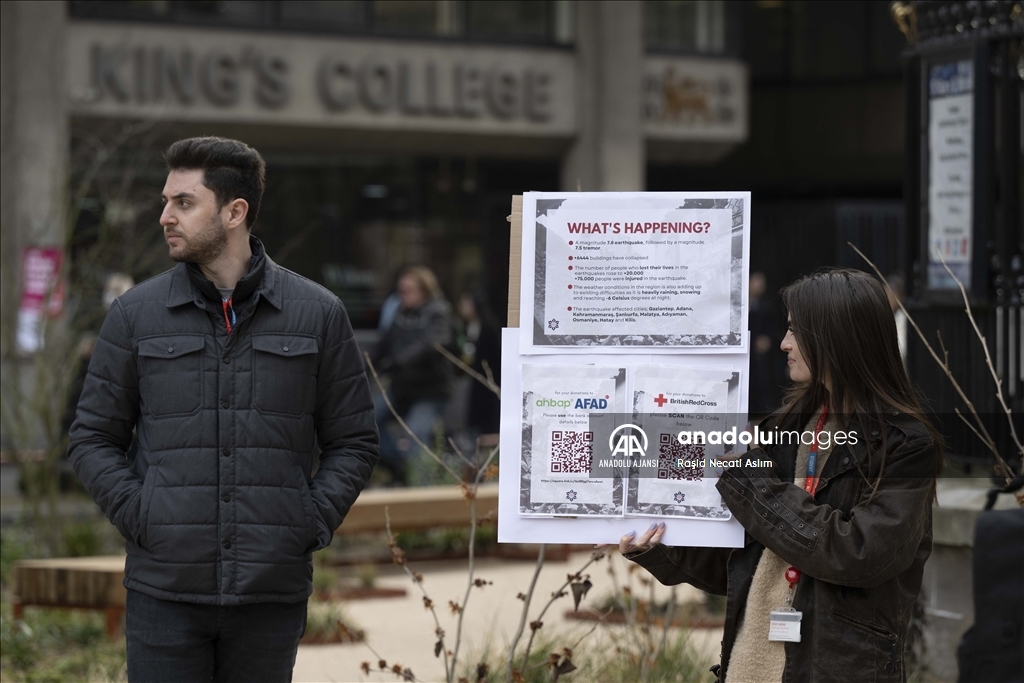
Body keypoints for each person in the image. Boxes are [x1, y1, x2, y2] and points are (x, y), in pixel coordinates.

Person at [67, 136, 378, 682]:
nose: (165, 216)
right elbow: (92, 438)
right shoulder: (136, 315)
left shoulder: (318, 314)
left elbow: (354, 441)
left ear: (235, 212)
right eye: (166, 201)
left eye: (184, 202)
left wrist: (306, 521)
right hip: (164, 589)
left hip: (270, 592)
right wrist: (144, 516)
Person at [616, 269, 942, 683]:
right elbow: (745, 560)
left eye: (796, 333)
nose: (784, 344)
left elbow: (857, 553)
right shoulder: (784, 428)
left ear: (837, 338)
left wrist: (745, 476)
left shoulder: (906, 446)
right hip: (750, 666)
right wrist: (657, 546)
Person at [370, 265, 453, 485]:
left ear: (424, 291)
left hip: (429, 392)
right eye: (400, 290)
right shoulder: (399, 313)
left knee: (416, 434)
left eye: (408, 290)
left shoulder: (438, 312)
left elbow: (432, 343)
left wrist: (399, 361)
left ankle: (419, 490)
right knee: (366, 420)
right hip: (401, 389)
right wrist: (366, 366)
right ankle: (400, 464)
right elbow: (383, 344)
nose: (402, 295)